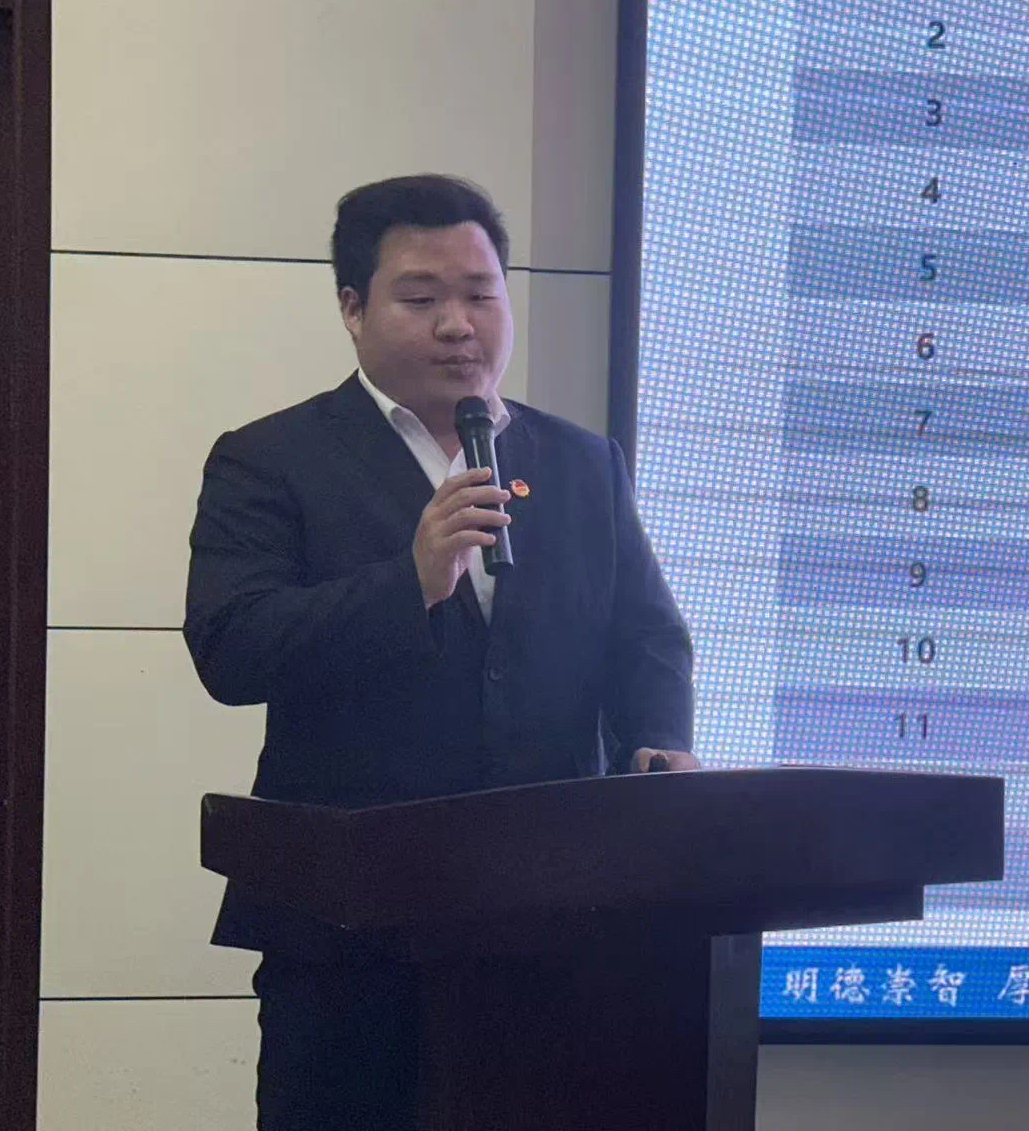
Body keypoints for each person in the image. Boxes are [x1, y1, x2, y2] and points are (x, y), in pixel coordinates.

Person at [183, 174, 696, 1130]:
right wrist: (409, 582)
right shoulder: (271, 459)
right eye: (420, 299)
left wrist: (657, 740)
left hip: (554, 917)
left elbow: (647, 636)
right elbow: (232, 647)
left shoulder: (580, 462)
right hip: (349, 926)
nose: (458, 325)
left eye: (480, 294)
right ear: (352, 308)